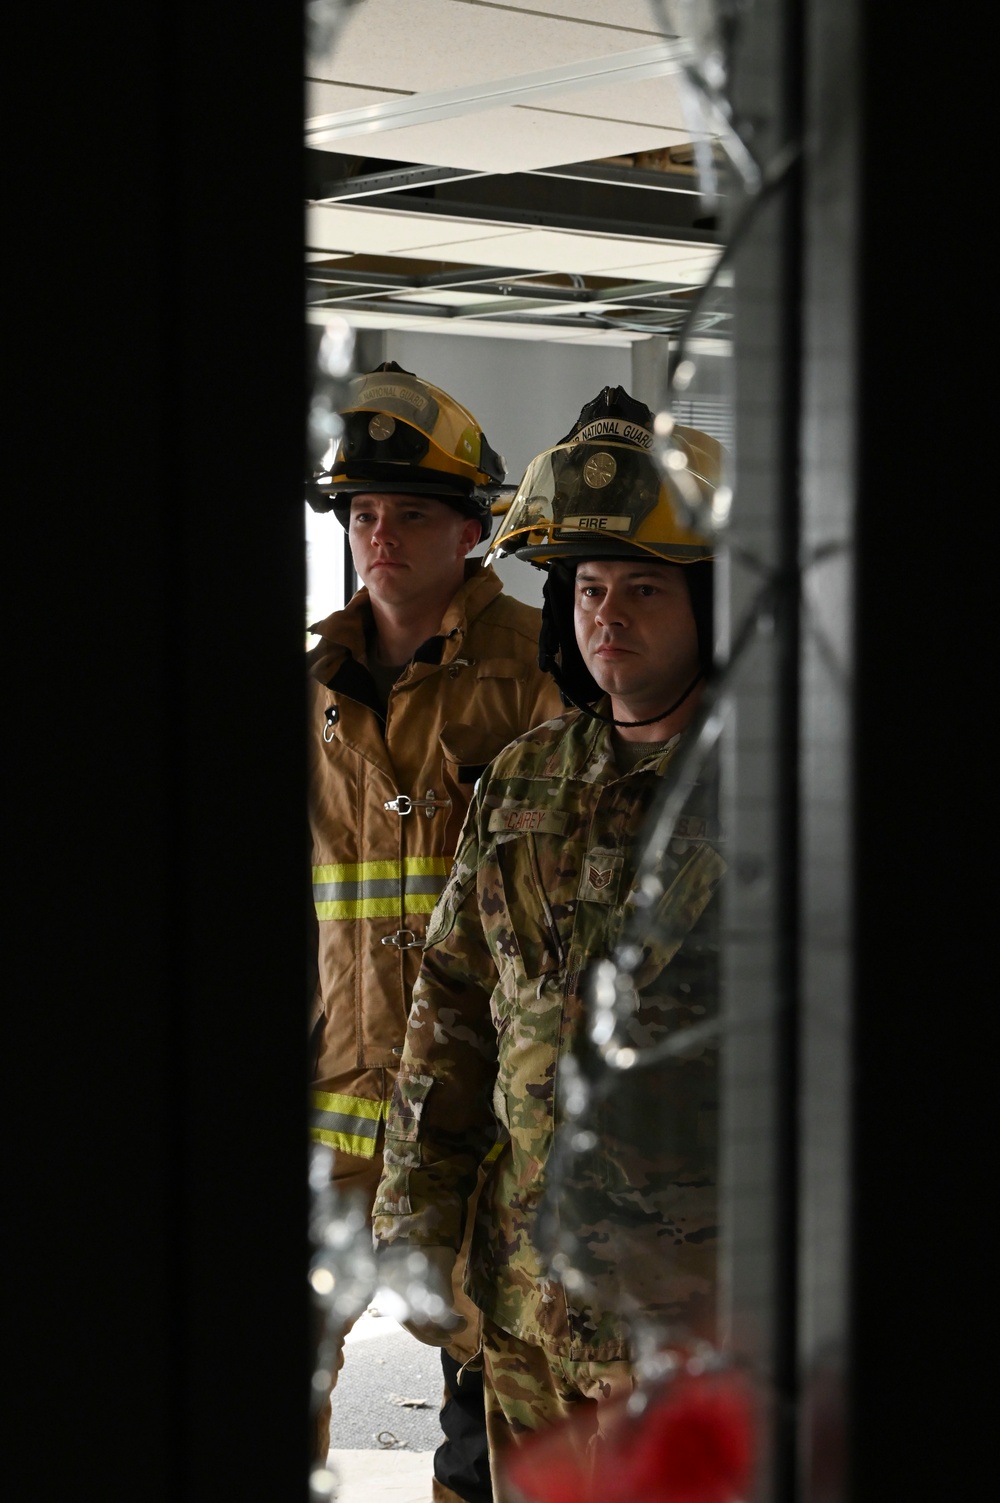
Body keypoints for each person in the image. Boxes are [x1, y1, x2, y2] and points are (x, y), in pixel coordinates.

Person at [371, 386, 725, 1486]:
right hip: (524, 1309)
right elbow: (452, 1010)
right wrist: (416, 1229)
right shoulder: (526, 779)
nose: (607, 617)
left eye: (644, 590)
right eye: (587, 590)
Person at [306, 361, 563, 1502]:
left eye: (410, 514)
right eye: (363, 514)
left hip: (475, 1113)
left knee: (500, 1382)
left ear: (472, 531)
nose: (381, 536)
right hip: (333, 1102)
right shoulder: (310, 685)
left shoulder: (540, 672)